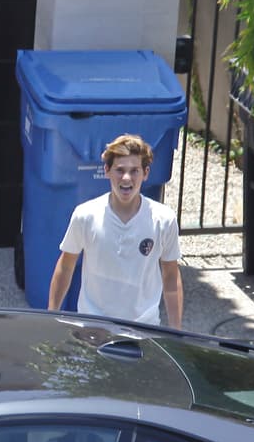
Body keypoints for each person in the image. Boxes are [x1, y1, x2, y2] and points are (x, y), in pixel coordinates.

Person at [48, 134, 183, 328]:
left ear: (146, 173)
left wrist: (176, 331)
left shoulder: (164, 220)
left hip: (143, 328)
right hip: (93, 325)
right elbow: (66, 266)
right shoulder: (85, 215)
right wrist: (52, 316)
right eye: (120, 170)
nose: (126, 178)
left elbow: (171, 276)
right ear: (107, 171)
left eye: (134, 171)